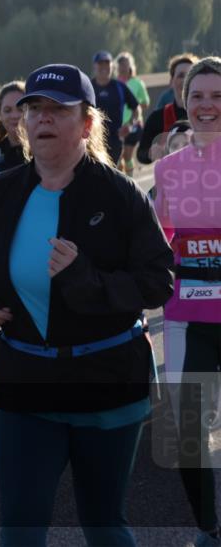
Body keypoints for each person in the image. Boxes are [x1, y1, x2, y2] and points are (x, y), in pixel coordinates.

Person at [0, 63, 174, 546]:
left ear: (87, 123)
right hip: (26, 384)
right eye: (35, 108)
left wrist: (86, 280)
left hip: (106, 381)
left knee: (104, 523)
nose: (44, 118)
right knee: (19, 527)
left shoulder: (119, 195)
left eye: (59, 110)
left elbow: (158, 281)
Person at [154, 56, 221, 547]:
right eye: (197, 95)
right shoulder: (168, 169)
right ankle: (208, 527)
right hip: (188, 318)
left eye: (217, 96)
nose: (206, 105)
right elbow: (159, 243)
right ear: (184, 101)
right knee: (187, 433)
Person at [138, 53, 199, 165]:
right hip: (171, 174)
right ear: (171, 82)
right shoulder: (158, 117)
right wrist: (151, 153)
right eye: (181, 75)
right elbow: (141, 153)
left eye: (189, 75)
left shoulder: (208, 115)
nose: (185, 80)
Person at [90, 50, 140, 167]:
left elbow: (136, 109)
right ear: (94, 66)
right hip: (92, 139)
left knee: (109, 171)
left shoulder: (119, 87)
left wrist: (130, 125)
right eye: (100, 63)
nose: (104, 67)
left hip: (114, 140)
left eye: (107, 63)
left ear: (112, 66)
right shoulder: (88, 87)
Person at [116, 52, 150, 176]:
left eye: (126, 64)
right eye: (121, 64)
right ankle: (121, 181)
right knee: (117, 156)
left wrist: (134, 106)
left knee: (127, 155)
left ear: (131, 66)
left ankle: (130, 180)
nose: (123, 67)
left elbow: (146, 103)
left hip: (133, 124)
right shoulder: (114, 83)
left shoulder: (137, 83)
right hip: (118, 124)